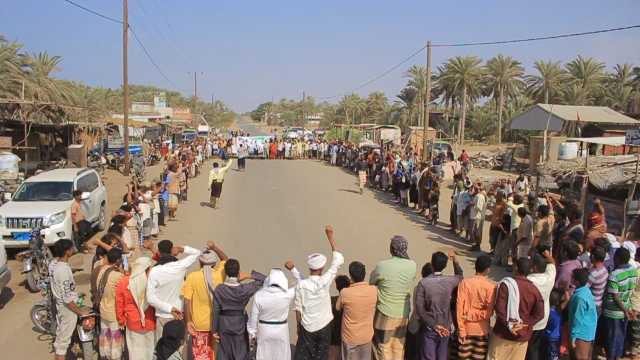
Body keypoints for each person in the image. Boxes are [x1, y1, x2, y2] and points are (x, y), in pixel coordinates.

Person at [294, 225, 345, 360]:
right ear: (322, 267)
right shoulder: (325, 281)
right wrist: (330, 237)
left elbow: (298, 309)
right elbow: (337, 261)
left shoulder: (302, 285)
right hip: (324, 326)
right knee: (322, 356)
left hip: (307, 328)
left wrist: (299, 328)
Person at [147, 240, 208, 338]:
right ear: (172, 250)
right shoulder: (180, 265)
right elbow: (197, 253)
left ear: (158, 252)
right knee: (178, 348)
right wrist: (181, 249)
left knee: (162, 348)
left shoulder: (154, 271)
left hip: (163, 316)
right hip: (179, 315)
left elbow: (150, 298)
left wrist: (169, 308)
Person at [369, 236, 417, 360]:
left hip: (385, 312)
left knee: (383, 346)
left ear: (391, 249)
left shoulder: (382, 266)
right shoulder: (412, 265)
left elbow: (372, 282)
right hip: (403, 313)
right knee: (398, 346)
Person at [487, 258, 545, 360]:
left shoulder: (506, 285)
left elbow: (500, 309)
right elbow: (540, 314)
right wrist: (524, 324)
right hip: (521, 338)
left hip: (502, 334)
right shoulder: (534, 290)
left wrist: (510, 325)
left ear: (516, 268)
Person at [182, 243, 229, 360]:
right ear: (214, 263)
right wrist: (214, 248)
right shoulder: (219, 275)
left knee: (200, 355)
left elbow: (186, 301)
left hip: (198, 325)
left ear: (200, 263)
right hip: (216, 325)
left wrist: (188, 321)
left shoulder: (192, 277)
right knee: (214, 354)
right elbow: (226, 259)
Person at [213, 259, 266, 360]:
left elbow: (215, 310)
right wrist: (249, 275)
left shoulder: (219, 289)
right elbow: (266, 280)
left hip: (224, 323)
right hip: (239, 323)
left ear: (226, 272)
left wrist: (214, 330)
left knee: (224, 354)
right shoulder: (245, 289)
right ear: (238, 272)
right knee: (240, 353)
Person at [415, 250, 463, 360]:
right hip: (445, 325)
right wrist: (455, 261)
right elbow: (460, 276)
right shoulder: (450, 281)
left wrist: (433, 324)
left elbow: (420, 308)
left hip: (430, 326)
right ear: (445, 265)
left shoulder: (424, 283)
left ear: (432, 264)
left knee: (428, 356)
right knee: (442, 356)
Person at [248, 265, 303, 360]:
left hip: (264, 330)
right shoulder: (287, 294)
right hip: (281, 330)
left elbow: (253, 318)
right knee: (281, 355)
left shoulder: (259, 295)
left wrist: (252, 334)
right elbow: (301, 283)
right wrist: (293, 270)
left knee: (264, 355)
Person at [50, 239, 88, 360]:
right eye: (72, 248)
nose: (73, 249)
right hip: (67, 310)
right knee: (63, 343)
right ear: (67, 251)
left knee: (62, 338)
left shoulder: (54, 264)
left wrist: (76, 295)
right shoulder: (62, 270)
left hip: (61, 305)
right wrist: (80, 312)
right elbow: (66, 298)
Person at [336, 261, 378, 360]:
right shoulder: (374, 290)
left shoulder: (345, 292)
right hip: (366, 337)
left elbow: (337, 308)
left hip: (350, 338)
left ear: (351, 275)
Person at [115, 256, 156, 360]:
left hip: (132, 321)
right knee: (150, 350)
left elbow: (119, 303)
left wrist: (121, 320)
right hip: (150, 321)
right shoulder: (151, 282)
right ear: (147, 269)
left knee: (135, 350)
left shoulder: (124, 282)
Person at [456, 255, 496, 360]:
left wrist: (462, 328)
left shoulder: (464, 283)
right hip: (482, 331)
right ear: (488, 269)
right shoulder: (491, 287)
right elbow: (489, 313)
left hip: (465, 330)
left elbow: (459, 308)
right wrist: (477, 314)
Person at [602, 247, 637, 360]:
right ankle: (617, 356)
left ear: (617, 259)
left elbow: (615, 296)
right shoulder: (633, 270)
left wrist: (624, 310)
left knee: (612, 338)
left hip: (614, 311)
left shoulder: (614, 274)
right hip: (625, 308)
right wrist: (627, 309)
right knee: (620, 336)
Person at [525, 250, 556, 360]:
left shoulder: (528, 280)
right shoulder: (550, 277)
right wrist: (548, 256)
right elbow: (552, 263)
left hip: (528, 320)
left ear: (534, 267)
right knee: (535, 347)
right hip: (542, 320)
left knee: (526, 348)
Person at [95, 248, 125, 360]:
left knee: (105, 338)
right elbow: (125, 288)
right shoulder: (117, 276)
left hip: (103, 310)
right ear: (118, 260)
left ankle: (104, 356)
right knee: (115, 341)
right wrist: (122, 272)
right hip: (113, 313)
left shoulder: (102, 271)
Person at [568, 268, 598, 360]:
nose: (571, 279)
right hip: (588, 331)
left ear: (576, 281)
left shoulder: (579, 297)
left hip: (581, 334)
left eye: (572, 278)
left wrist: (573, 337)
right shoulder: (586, 291)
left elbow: (577, 319)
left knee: (581, 357)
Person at [330, 275, 351, 360]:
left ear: (336, 287)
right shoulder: (351, 301)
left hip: (334, 334)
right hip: (348, 333)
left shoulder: (331, 300)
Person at [588, 246, 609, 313]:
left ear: (593, 256)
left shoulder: (593, 274)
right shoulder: (604, 269)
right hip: (599, 303)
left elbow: (584, 288)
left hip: (592, 304)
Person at [544, 289, 563, 360]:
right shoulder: (557, 311)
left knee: (551, 355)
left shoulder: (549, 313)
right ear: (557, 302)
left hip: (551, 337)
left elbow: (550, 326)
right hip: (556, 337)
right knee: (553, 355)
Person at [469, 184, 487, 251]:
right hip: (475, 216)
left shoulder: (479, 196)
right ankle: (476, 245)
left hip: (476, 217)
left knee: (475, 232)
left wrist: (472, 204)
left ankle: (477, 246)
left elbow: (479, 207)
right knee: (475, 231)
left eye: (476, 189)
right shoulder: (478, 195)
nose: (474, 190)